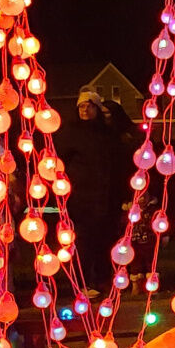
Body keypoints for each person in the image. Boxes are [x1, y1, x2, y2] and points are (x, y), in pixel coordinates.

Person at [54, 89, 126, 291]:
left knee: (105, 239)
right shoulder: (70, 134)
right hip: (81, 198)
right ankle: (83, 281)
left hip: (106, 197)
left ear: (97, 108)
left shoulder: (107, 134)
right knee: (83, 241)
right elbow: (60, 161)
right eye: (81, 106)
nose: (85, 110)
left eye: (89, 105)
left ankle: (102, 279)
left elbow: (117, 163)